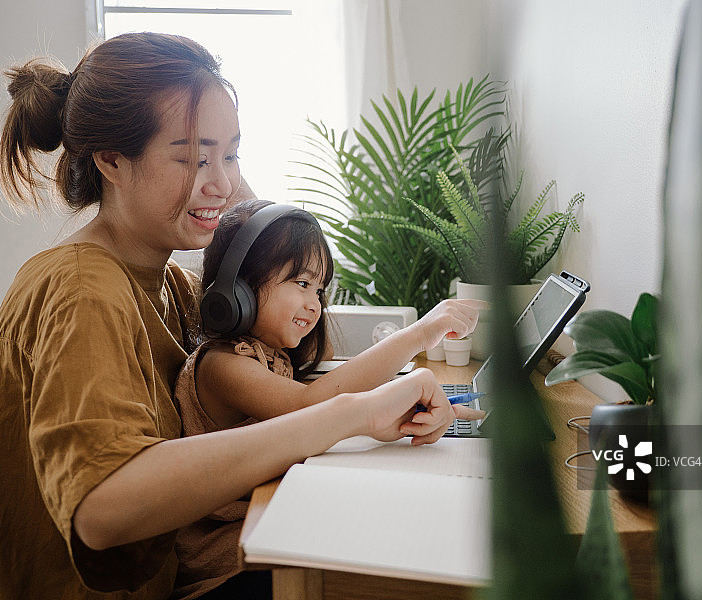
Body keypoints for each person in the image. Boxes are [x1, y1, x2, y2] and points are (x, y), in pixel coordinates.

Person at [0, 32, 483, 600]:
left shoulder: (175, 286)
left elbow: (266, 245)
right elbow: (103, 509)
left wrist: (213, 168)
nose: (223, 183)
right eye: (190, 157)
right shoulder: (82, 288)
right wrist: (351, 414)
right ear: (111, 160)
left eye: (231, 155)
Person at [172, 199, 486, 596]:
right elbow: (310, 408)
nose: (314, 304)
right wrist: (419, 334)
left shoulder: (270, 356)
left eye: (319, 290)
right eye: (302, 284)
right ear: (240, 288)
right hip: (230, 567)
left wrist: (405, 407)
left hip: (268, 526)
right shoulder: (222, 366)